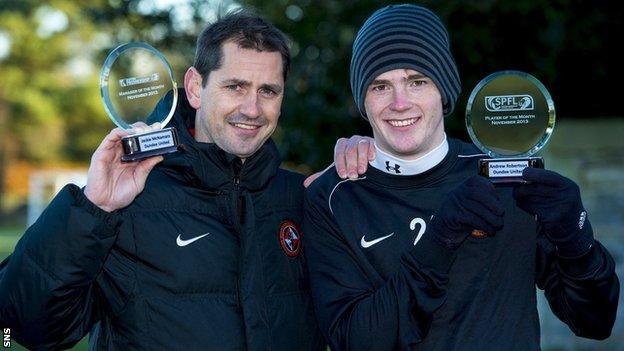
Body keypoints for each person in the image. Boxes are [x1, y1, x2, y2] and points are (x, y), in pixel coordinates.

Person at [0, 10, 371, 350]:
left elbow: (375, 323)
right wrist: (91, 209)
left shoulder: (302, 199)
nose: (252, 109)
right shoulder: (128, 203)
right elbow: (27, 327)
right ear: (195, 88)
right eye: (235, 87)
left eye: (268, 91)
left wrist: (379, 172)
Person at [304, 4, 619, 350]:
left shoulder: (509, 180)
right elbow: (355, 340)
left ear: (445, 90)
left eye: (417, 81)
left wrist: (577, 239)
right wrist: (440, 240)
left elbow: (595, 321)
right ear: (363, 100)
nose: (399, 103)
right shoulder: (332, 197)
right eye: (380, 86)